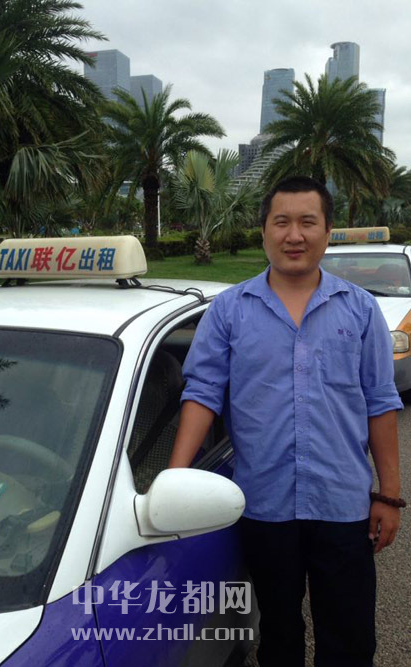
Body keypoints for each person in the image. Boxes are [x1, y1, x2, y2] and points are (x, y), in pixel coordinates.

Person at [169, 176, 405, 667]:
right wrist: (175, 481)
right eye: (281, 222)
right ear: (263, 231)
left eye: (307, 222)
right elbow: (203, 393)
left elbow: (380, 402)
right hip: (264, 505)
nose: (294, 235)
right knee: (278, 635)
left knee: (350, 638)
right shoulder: (230, 311)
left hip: (342, 505)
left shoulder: (360, 309)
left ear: (328, 231)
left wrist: (388, 495)